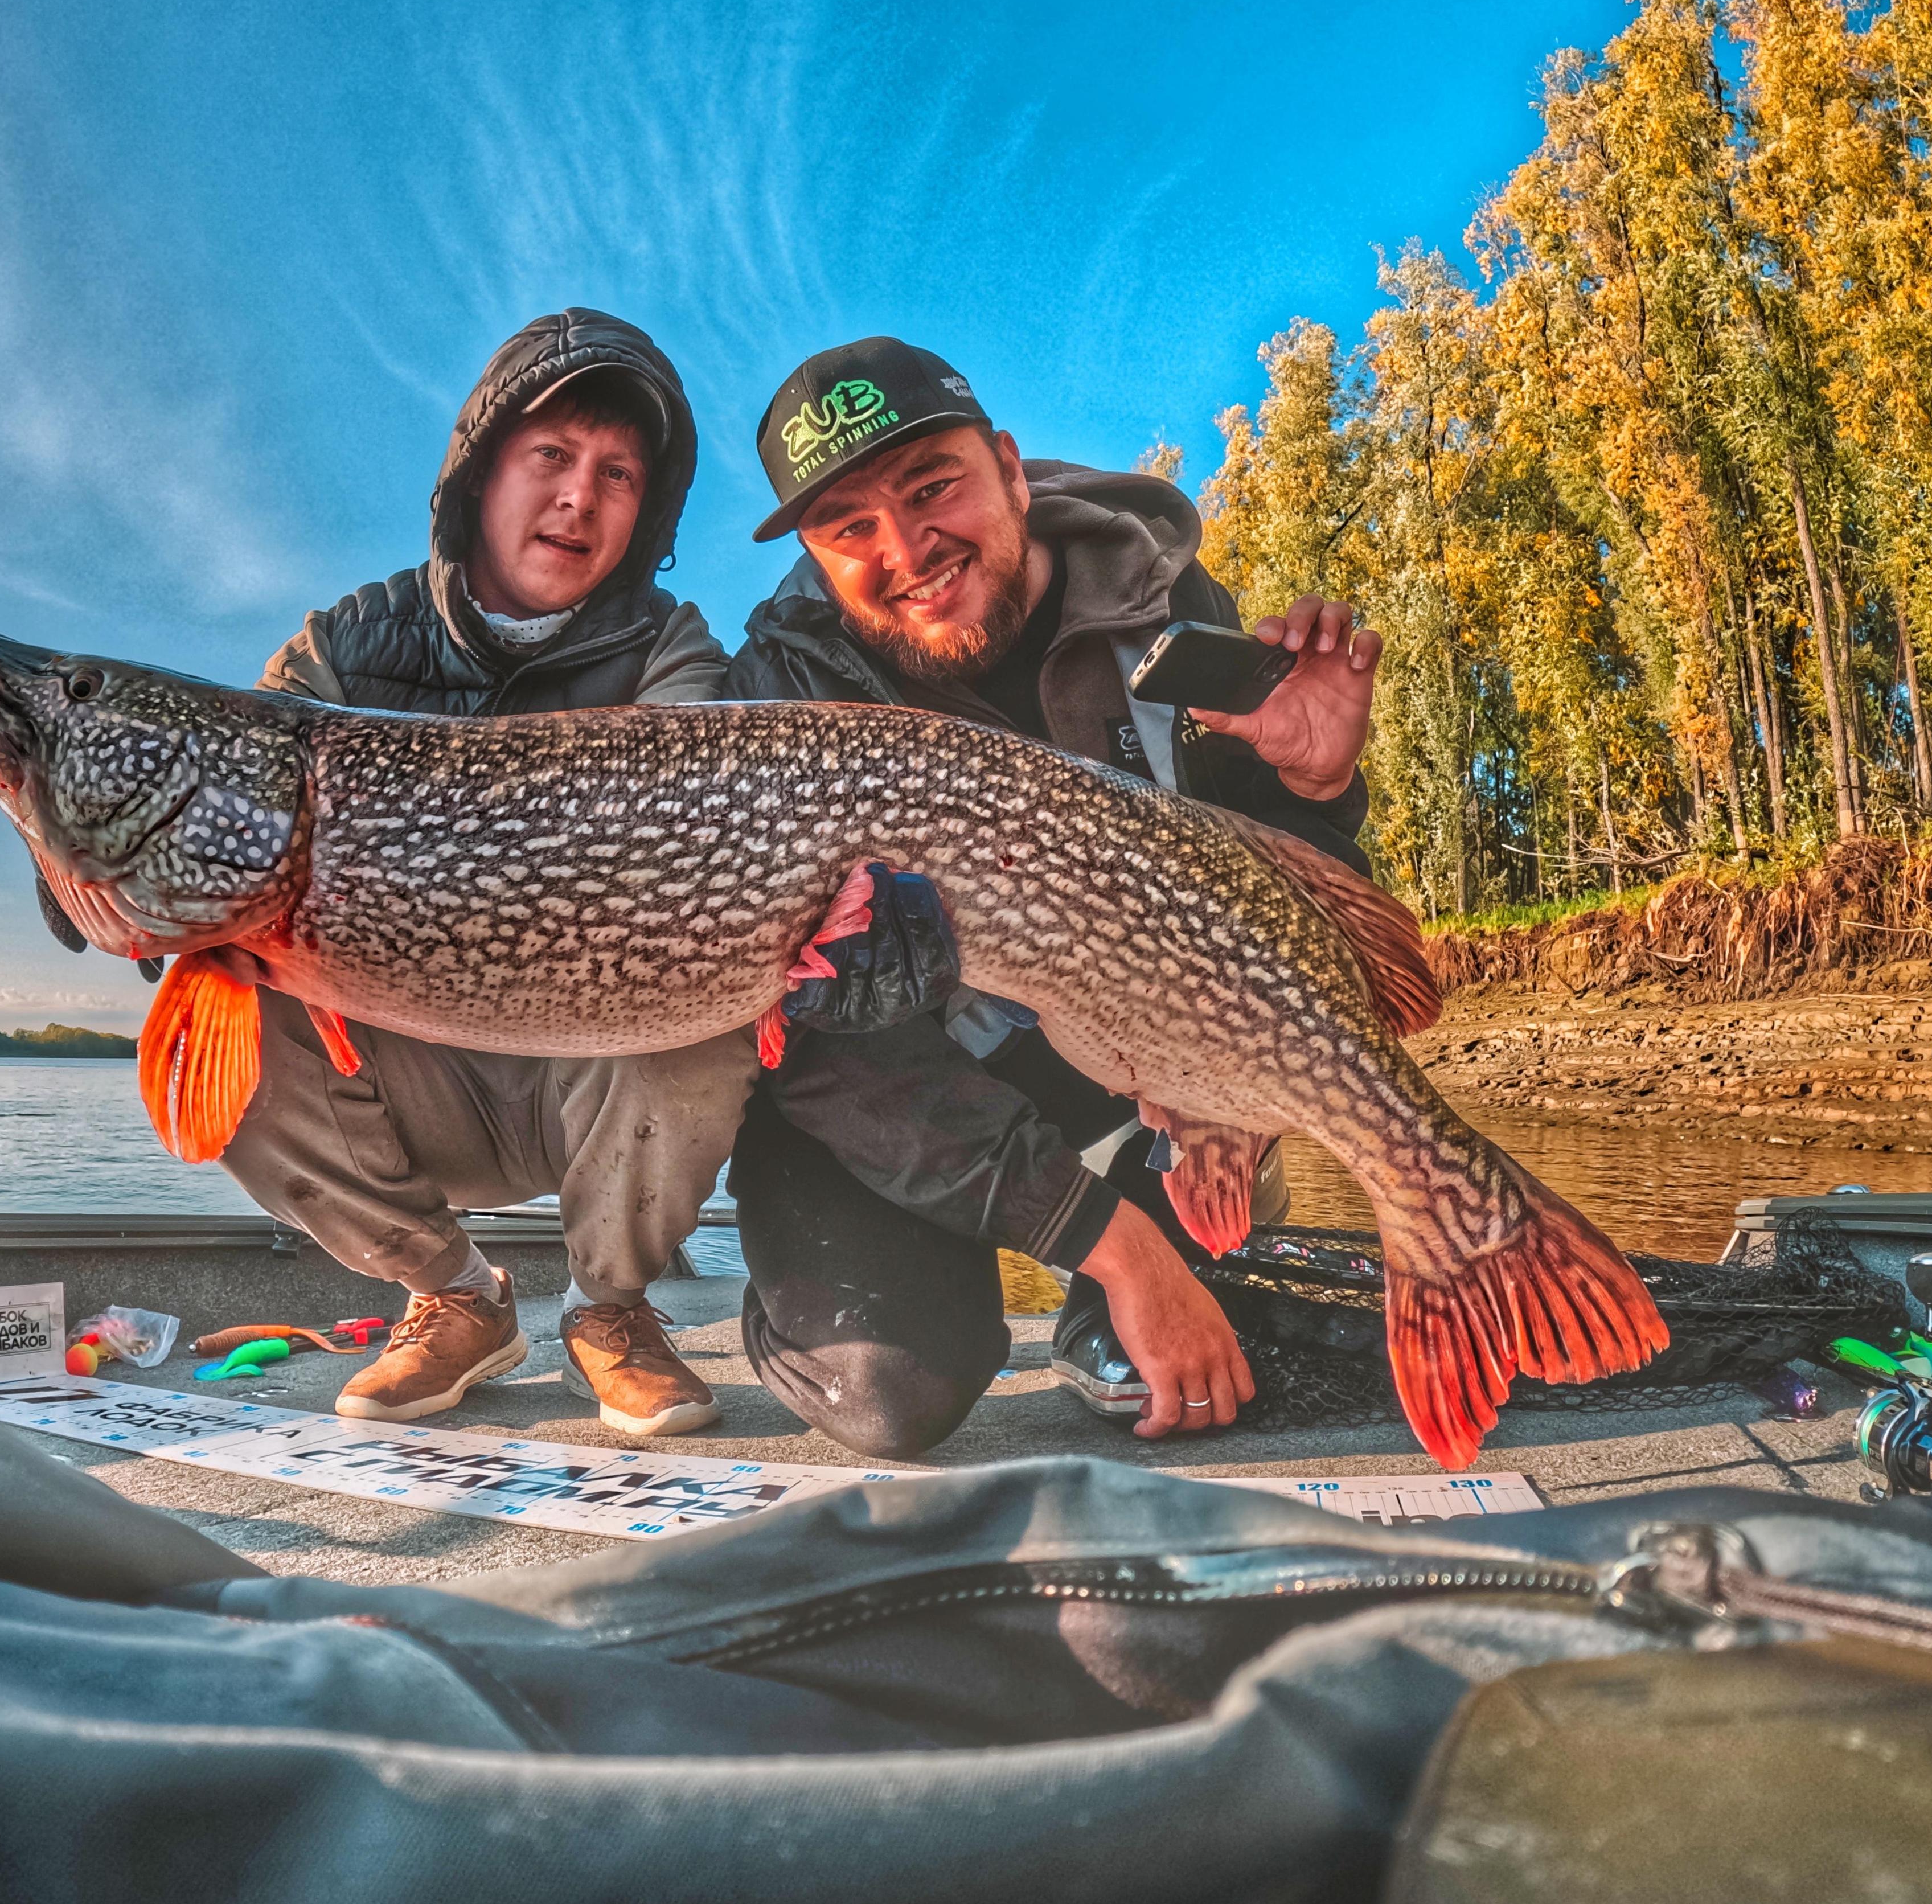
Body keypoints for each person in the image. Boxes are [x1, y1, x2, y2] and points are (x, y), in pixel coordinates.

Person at [725, 337, 1384, 1458]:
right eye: (849, 529)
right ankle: (1040, 1251)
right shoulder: (778, 706)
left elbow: (1285, 931)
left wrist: (1312, 787)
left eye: (932, 488)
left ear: (1011, 472)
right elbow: (834, 1059)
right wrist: (1109, 1242)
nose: (907, 549)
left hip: (1119, 1065)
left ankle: (1158, 1218)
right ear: (821, 562)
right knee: (891, 1394)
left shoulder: (1163, 606)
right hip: (886, 1094)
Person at [214, 310, 755, 1434]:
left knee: (711, 984)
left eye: (617, 473)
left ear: (644, 509)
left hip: (592, 1067)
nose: (579, 497)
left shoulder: (673, 650)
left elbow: (695, 824)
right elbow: (229, 807)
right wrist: (91, 852)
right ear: (481, 476)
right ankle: (456, 1297)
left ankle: (610, 1308)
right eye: (549, 457)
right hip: (413, 1073)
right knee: (218, 1008)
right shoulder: (341, 649)